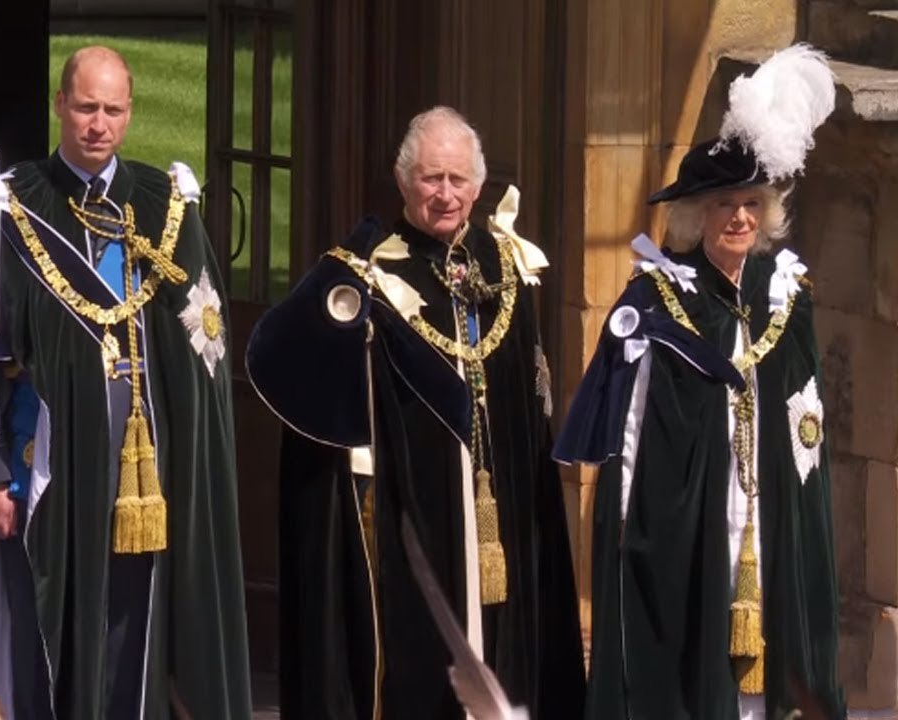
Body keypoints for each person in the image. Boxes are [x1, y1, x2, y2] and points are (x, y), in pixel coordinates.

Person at [0, 45, 252, 719]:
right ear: (60, 106)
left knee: (137, 631)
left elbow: (203, 351)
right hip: (46, 473)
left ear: (130, 115)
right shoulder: (10, 207)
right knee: (51, 626)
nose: (97, 124)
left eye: (112, 110)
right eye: (84, 107)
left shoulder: (165, 205)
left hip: (148, 482)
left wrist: (193, 470)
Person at [251, 105, 584, 719]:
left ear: (479, 186)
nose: (446, 194)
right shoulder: (371, 271)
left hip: (501, 513)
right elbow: (293, 365)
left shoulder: (504, 265)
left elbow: (524, 401)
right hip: (415, 511)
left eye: (458, 180)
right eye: (432, 179)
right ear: (404, 182)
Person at [554, 44, 845, 719]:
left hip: (769, 514)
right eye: (723, 206)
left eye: (750, 204)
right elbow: (625, 438)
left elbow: (807, 428)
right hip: (693, 527)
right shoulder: (657, 302)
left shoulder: (787, 295)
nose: (739, 218)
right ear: (696, 216)